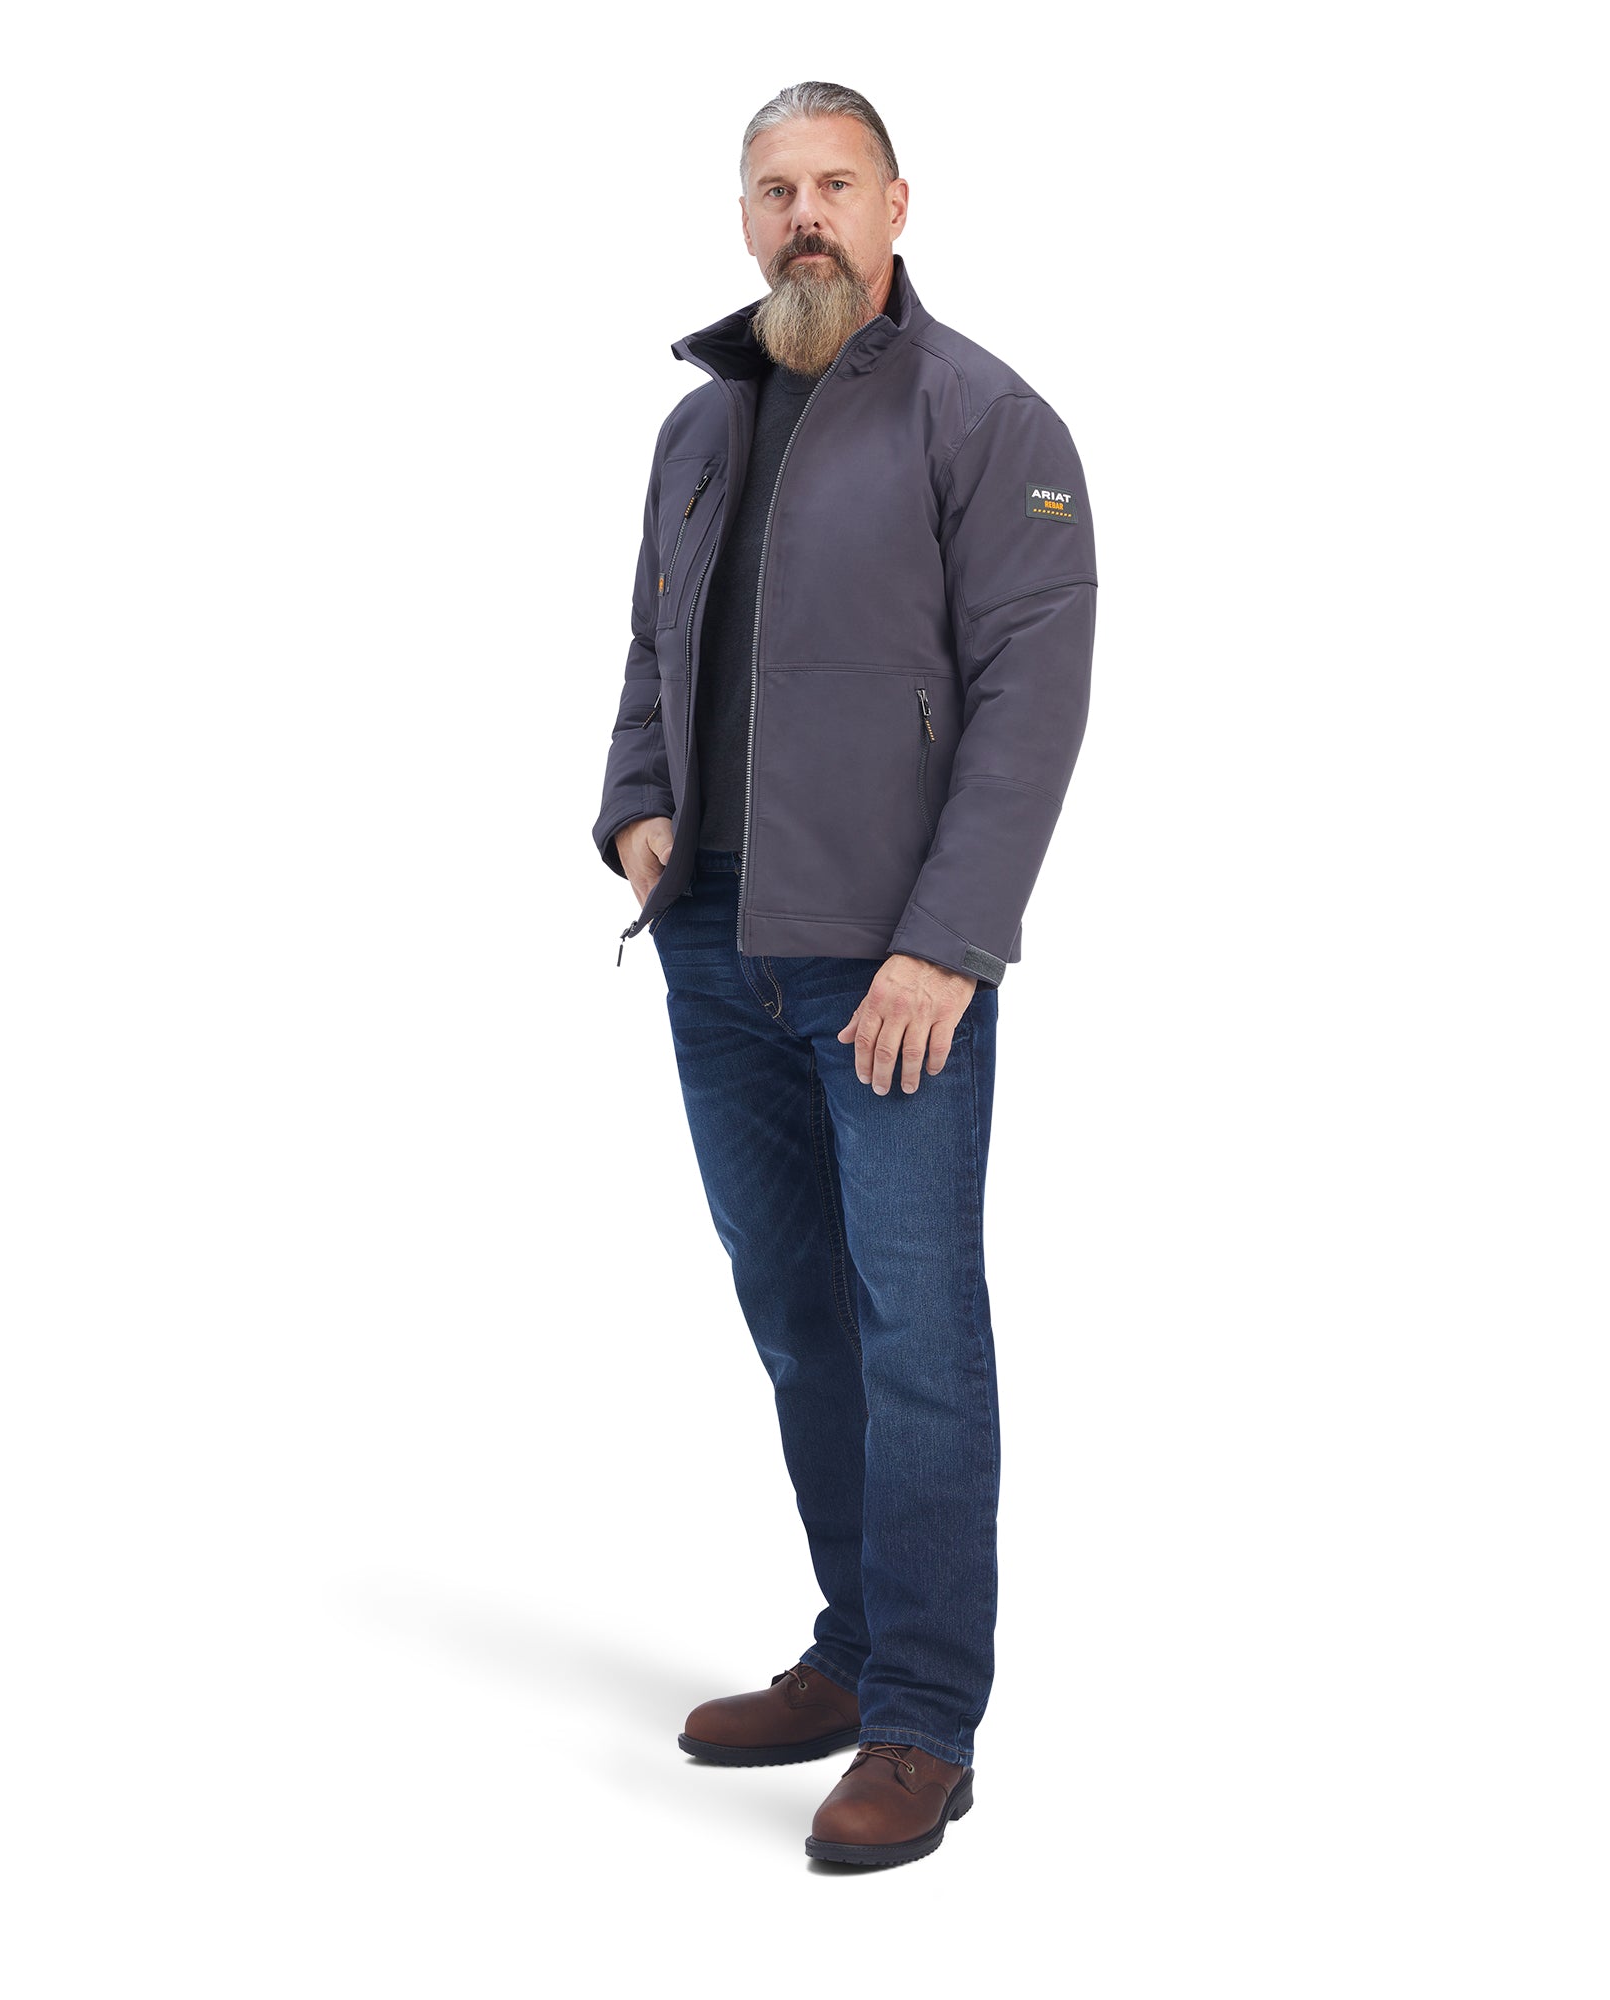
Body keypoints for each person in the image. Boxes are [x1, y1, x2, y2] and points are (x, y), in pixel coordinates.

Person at [590, 79, 1097, 1867]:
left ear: (894, 205)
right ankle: (855, 1647)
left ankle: (923, 1723)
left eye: (832, 184)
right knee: (800, 1315)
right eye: (772, 189)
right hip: (714, 947)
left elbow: (1033, 699)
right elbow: (651, 643)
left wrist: (946, 944)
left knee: (916, 1336)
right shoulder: (700, 424)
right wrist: (634, 810)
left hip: (890, 970)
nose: (801, 215)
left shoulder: (985, 416)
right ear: (747, 217)